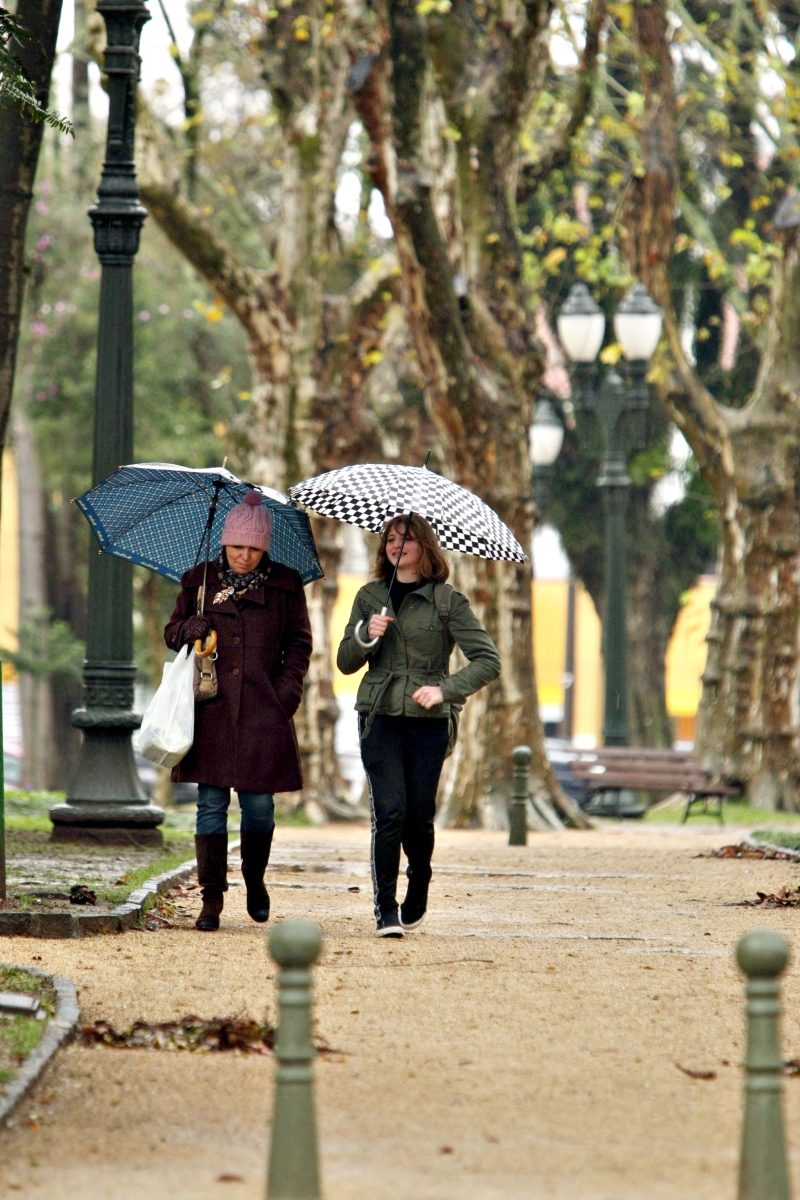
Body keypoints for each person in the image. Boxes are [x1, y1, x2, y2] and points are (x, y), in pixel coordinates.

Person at [337, 515, 501, 937]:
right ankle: (384, 909)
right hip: (378, 716)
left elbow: (488, 661)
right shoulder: (370, 596)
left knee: (418, 818)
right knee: (388, 812)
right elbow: (345, 661)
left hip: (429, 721)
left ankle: (421, 876)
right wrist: (365, 636)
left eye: (406, 538)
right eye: (390, 539)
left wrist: (445, 690)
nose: (397, 545)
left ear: (424, 547)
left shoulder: (447, 601)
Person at [165, 491, 312, 932]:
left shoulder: (285, 585)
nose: (244, 556)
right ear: (224, 544)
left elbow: (299, 645)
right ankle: (211, 899)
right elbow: (172, 633)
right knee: (209, 804)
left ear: (265, 547)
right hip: (210, 709)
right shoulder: (199, 582)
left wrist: (284, 695)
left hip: (262, 713)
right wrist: (187, 628)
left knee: (258, 807)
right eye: (236, 547)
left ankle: (255, 880)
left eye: (253, 548)